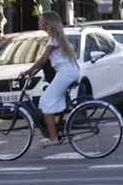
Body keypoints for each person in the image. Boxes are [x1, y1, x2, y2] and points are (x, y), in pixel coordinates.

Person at [21, 11, 81, 147]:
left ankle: (54, 138)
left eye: (41, 20)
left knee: (46, 101)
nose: (39, 23)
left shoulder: (53, 39)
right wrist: (35, 70)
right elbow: (49, 60)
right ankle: (62, 128)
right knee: (54, 101)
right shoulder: (58, 38)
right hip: (69, 71)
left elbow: (43, 59)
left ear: (48, 24)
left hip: (66, 73)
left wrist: (28, 71)